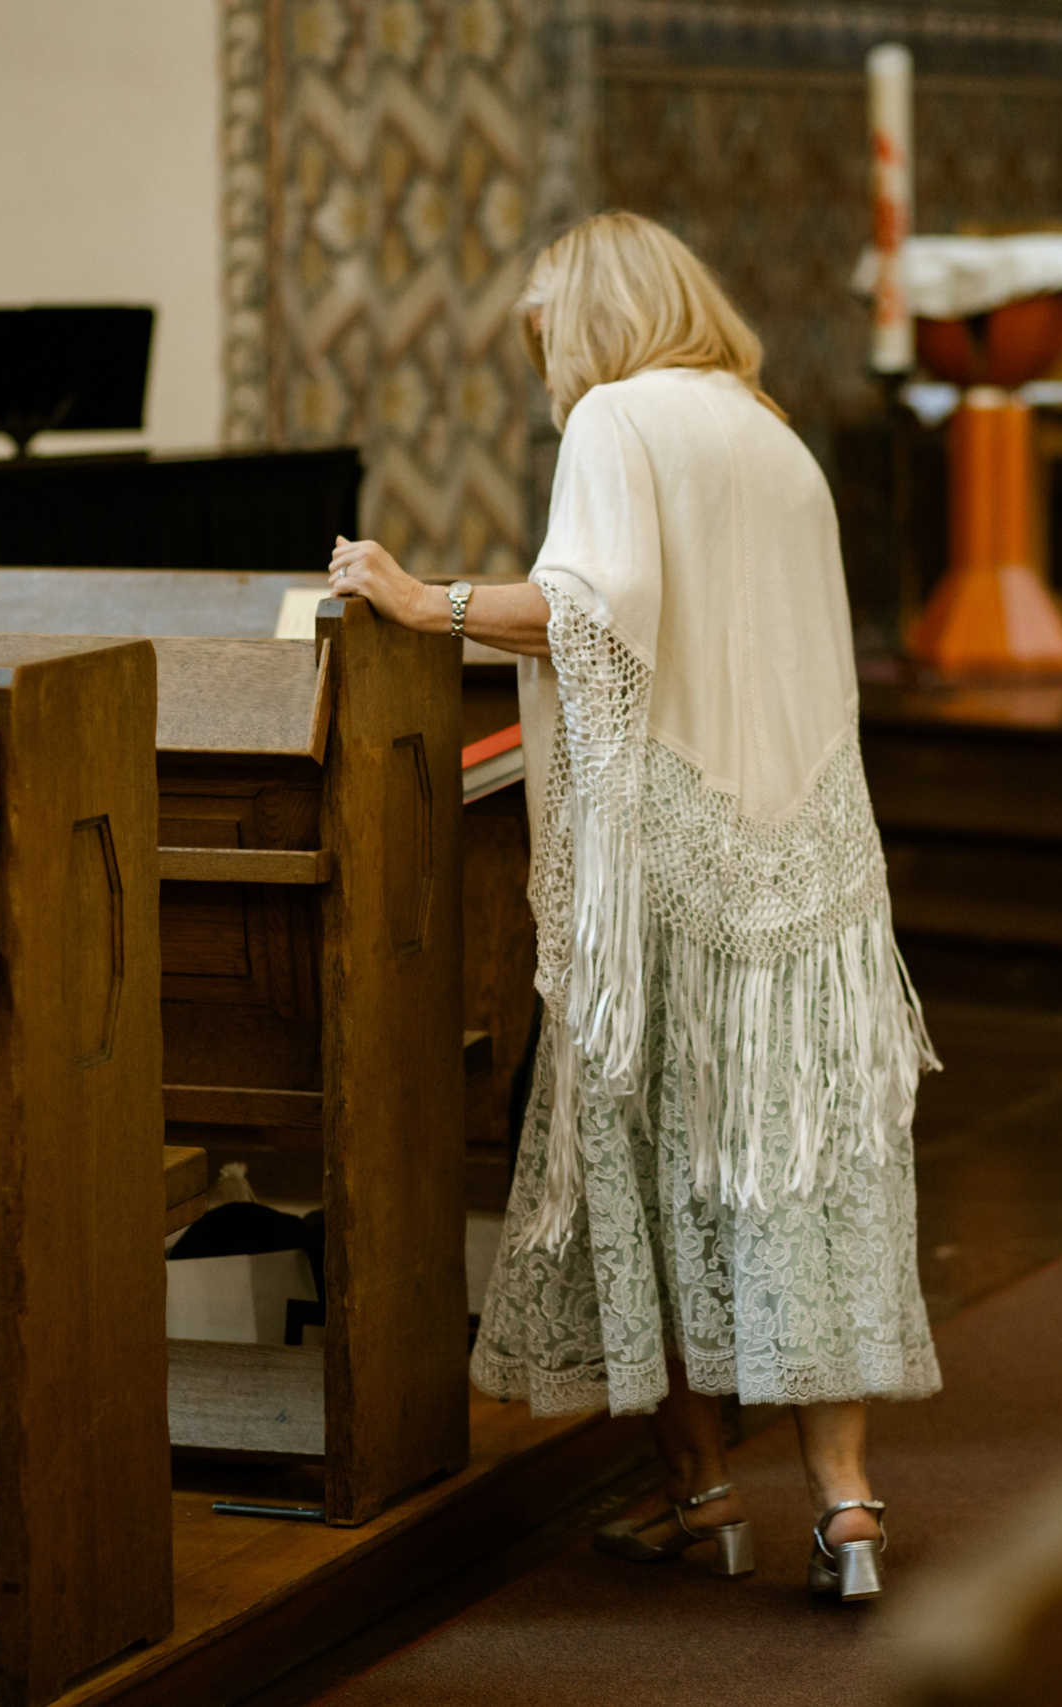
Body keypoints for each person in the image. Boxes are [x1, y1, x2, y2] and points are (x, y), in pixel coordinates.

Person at [323, 211, 941, 1604]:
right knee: (808, 1176)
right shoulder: (774, 436)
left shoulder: (618, 418)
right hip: (817, 862)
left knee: (648, 1171)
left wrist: (428, 602)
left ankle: (703, 1490)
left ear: (593, 319)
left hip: (671, 865)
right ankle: (847, 1506)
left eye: (548, 331)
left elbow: (596, 606)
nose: (547, 363)